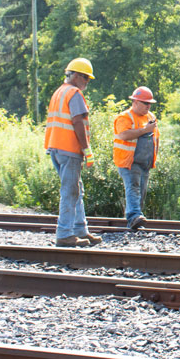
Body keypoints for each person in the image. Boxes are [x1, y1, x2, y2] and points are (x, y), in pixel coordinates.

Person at [44, 57, 101, 247]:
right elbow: (78, 122)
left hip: (56, 148)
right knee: (70, 191)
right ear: (75, 75)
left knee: (76, 189)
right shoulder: (74, 93)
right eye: (85, 77)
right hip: (69, 149)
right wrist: (86, 149)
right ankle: (65, 233)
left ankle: (79, 230)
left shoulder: (59, 92)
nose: (86, 82)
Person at [113, 86, 160, 230]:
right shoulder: (125, 117)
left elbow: (155, 137)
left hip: (144, 162)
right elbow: (124, 135)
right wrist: (144, 130)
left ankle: (135, 220)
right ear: (135, 102)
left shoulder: (150, 117)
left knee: (141, 191)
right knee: (133, 188)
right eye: (145, 103)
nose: (148, 106)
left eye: (149, 103)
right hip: (129, 161)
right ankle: (134, 216)